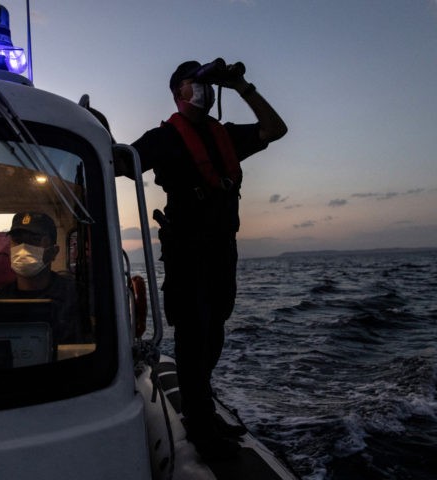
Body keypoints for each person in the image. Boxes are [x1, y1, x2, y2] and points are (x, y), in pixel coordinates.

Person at [118, 59, 287, 458]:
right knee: (194, 335)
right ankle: (199, 422)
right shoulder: (163, 138)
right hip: (187, 251)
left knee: (214, 333)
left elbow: (275, 130)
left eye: (208, 85)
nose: (205, 91)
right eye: (197, 84)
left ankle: (203, 410)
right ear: (179, 92)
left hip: (222, 251)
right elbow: (121, 161)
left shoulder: (224, 135)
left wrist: (242, 86)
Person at [0, 212, 82, 344]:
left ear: (54, 251)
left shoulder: (77, 296)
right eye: (18, 241)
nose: (23, 249)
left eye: (34, 240)